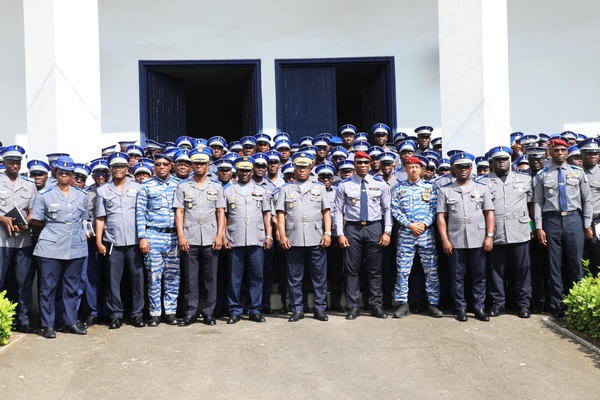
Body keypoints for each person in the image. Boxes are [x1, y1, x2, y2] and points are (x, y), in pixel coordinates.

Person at [31, 157, 89, 338]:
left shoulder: (81, 195)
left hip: (76, 246)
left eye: (68, 173)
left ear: (72, 174)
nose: (64, 176)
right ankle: (48, 324)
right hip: (51, 246)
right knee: (48, 287)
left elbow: (84, 219)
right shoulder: (45, 194)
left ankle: (70, 321)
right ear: (55, 173)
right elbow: (37, 220)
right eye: (60, 172)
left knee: (72, 287)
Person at [533, 139, 592, 318]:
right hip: (552, 221)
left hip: (573, 219)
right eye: (556, 150)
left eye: (563, 150)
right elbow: (538, 202)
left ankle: (578, 304)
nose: (559, 153)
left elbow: (586, 200)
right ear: (550, 152)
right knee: (554, 266)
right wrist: (538, 227)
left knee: (576, 265)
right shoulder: (542, 175)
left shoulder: (578, 172)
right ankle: (558, 305)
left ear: (567, 153)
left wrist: (587, 223)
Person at [436, 152, 495, 322]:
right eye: (459, 167)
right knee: (457, 276)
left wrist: (489, 236)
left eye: (466, 167)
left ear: (471, 169)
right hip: (455, 238)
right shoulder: (445, 190)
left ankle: (479, 307)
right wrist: (445, 239)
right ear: (453, 168)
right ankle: (460, 307)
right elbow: (441, 216)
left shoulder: (482, 188)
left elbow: (489, 213)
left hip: (478, 236)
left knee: (479, 275)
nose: (463, 170)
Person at [333, 151, 392, 320]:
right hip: (352, 228)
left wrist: (387, 231)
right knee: (352, 270)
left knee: (375, 270)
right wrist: (340, 234)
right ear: (354, 165)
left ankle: (375, 305)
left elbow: (387, 209)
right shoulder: (344, 185)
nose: (363, 165)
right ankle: (353, 307)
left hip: (374, 226)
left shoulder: (380, 184)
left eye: (366, 162)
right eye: (359, 162)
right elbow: (338, 211)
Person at [476, 146, 533, 318]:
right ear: (491, 163)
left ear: (510, 160)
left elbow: (531, 205)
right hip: (496, 231)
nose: (502, 162)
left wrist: (535, 227)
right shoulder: (483, 182)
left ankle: (523, 304)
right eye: (498, 160)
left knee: (522, 270)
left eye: (505, 159)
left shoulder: (525, 179)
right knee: (496, 271)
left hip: (520, 230)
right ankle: (498, 303)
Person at [276, 152, 332, 322]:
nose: (302, 170)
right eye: (299, 167)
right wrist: (282, 236)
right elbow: (280, 214)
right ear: (294, 168)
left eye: (305, 167)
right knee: (294, 277)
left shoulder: (319, 188)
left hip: (316, 237)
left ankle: (320, 308)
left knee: (319, 277)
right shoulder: (286, 189)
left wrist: (328, 233)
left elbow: (326, 212)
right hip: (293, 238)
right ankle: (297, 309)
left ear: (310, 168)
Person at [174, 149, 226, 326]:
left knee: (210, 278)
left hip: (211, 237)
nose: (199, 166)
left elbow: (221, 213)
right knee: (191, 278)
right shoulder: (183, 187)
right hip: (190, 236)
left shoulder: (216, 187)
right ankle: (190, 312)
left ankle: (209, 313)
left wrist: (220, 235)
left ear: (208, 165)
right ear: (191, 166)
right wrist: (181, 234)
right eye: (196, 163)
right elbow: (180, 212)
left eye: (202, 163)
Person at [95, 152, 146, 329]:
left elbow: (143, 214)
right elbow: (100, 218)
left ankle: (137, 314)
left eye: (122, 167)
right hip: (113, 241)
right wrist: (99, 242)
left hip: (134, 241)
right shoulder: (102, 191)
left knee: (137, 279)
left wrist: (143, 237)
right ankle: (116, 315)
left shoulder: (139, 187)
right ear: (111, 169)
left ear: (127, 169)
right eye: (115, 167)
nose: (118, 170)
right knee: (113, 280)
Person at [390, 156, 442, 318]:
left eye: (416, 167)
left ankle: (433, 303)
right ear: (405, 170)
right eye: (410, 167)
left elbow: (435, 209)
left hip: (426, 235)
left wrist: (424, 224)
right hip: (407, 234)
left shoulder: (430, 188)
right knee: (402, 271)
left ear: (422, 170)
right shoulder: (398, 189)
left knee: (431, 270)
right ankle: (402, 303)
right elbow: (395, 210)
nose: (413, 170)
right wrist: (409, 225)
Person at [223, 156, 273, 324]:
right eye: (241, 170)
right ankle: (234, 310)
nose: (244, 173)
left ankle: (254, 310)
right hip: (234, 238)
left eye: (247, 170)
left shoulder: (261, 191)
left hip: (256, 238)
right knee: (234, 277)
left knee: (256, 277)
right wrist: (222, 235)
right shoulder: (228, 191)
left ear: (252, 171)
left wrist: (268, 235)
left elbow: (267, 214)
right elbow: (223, 215)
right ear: (236, 171)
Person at [136, 153, 181, 327]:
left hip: (173, 237)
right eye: (158, 164)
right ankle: (155, 313)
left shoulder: (179, 185)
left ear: (171, 166)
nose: (161, 167)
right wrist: (142, 237)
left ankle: (170, 312)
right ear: (154, 167)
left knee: (173, 276)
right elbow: (140, 213)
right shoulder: (146, 186)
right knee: (154, 276)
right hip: (153, 235)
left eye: (164, 164)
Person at [0, 146, 37, 333]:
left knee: (23, 282)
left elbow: (32, 211)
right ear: (4, 162)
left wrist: (26, 223)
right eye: (11, 162)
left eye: (17, 162)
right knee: (1, 280)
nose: (15, 165)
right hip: (2, 241)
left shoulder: (29, 185)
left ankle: (23, 321)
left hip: (23, 240)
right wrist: (2, 218)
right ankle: (2, 321)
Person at [580, 138, 600, 276]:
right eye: (588, 153)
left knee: (597, 257)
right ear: (582, 154)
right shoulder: (576, 172)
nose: (592, 156)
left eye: (595, 153)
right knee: (580, 257)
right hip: (577, 220)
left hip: (597, 221)